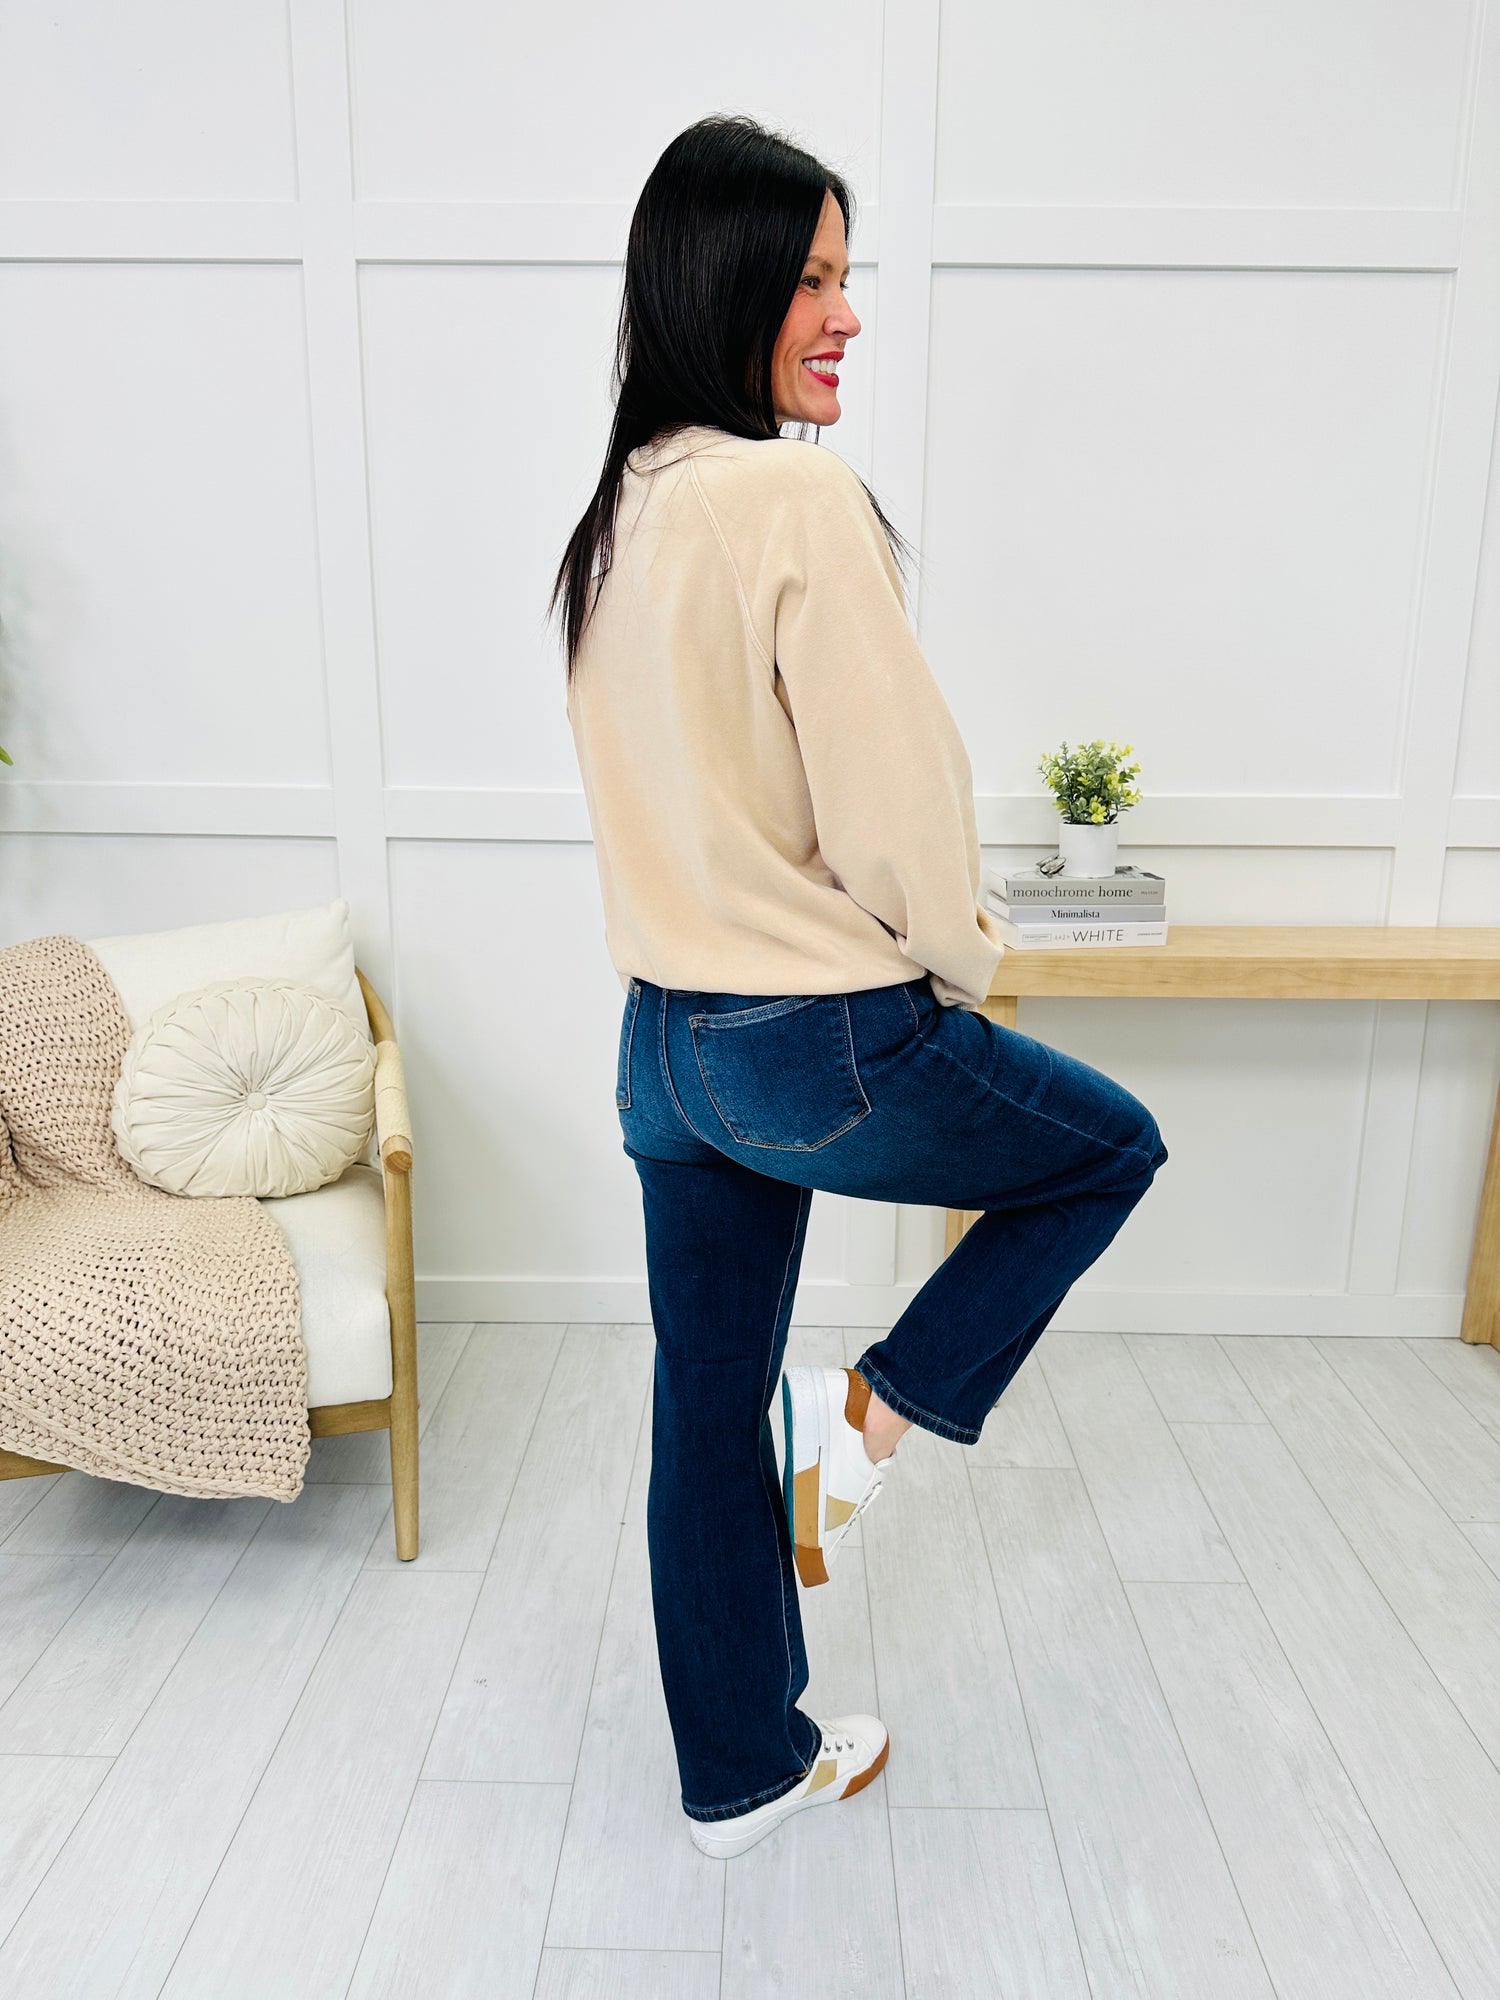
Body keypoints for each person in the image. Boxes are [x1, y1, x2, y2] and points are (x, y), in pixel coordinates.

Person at [550, 113, 1168, 1861]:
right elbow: (897, 798)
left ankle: (741, 1775)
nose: (846, 313)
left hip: (663, 1048)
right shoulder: (792, 497)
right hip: (810, 1037)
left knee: (700, 1405)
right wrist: (964, 963)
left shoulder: (619, 512)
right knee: (1107, 1155)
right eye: (813, 278)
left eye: (847, 275)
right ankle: (873, 1407)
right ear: (726, 280)